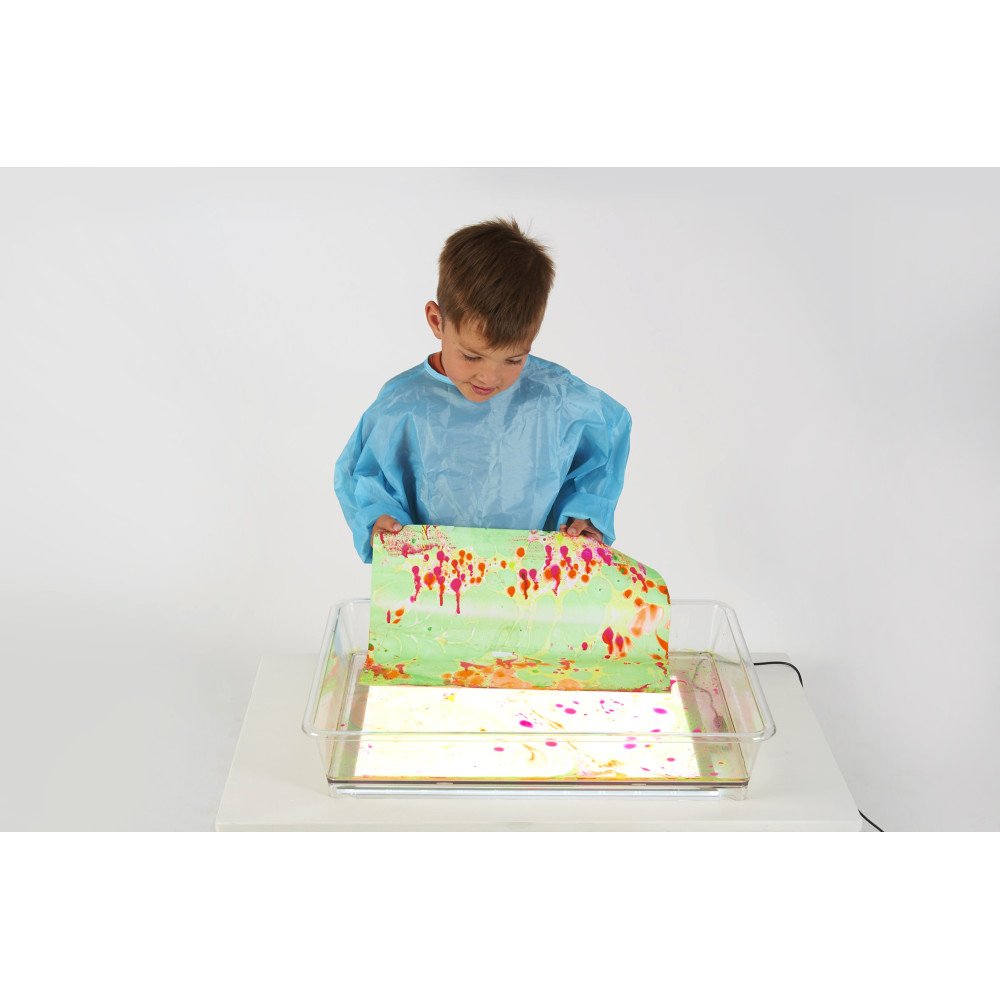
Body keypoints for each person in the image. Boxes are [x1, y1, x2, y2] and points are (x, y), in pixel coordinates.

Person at [334, 217, 631, 563]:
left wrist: (586, 516)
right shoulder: (403, 405)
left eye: (513, 359)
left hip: (531, 581)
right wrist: (380, 520)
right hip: (433, 581)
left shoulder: (555, 399)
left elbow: (605, 439)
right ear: (437, 321)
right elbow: (367, 477)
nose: (490, 377)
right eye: (471, 356)